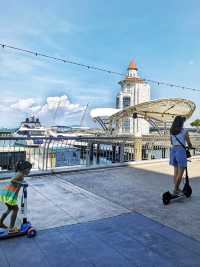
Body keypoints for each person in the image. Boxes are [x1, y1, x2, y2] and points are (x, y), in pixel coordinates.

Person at [0, 160, 32, 233]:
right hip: (10, 194)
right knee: (15, 209)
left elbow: (16, 181)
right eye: (29, 169)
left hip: (7, 193)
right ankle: (11, 228)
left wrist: (22, 183)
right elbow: (12, 180)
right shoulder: (20, 174)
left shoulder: (20, 174)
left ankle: (0, 222)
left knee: (9, 209)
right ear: (24, 169)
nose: (29, 171)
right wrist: (21, 183)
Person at [170, 116, 193, 195]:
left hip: (173, 151)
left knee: (175, 172)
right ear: (181, 123)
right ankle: (175, 190)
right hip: (180, 151)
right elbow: (189, 144)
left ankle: (177, 188)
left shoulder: (172, 131)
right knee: (180, 172)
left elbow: (172, 143)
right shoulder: (185, 131)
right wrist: (190, 147)